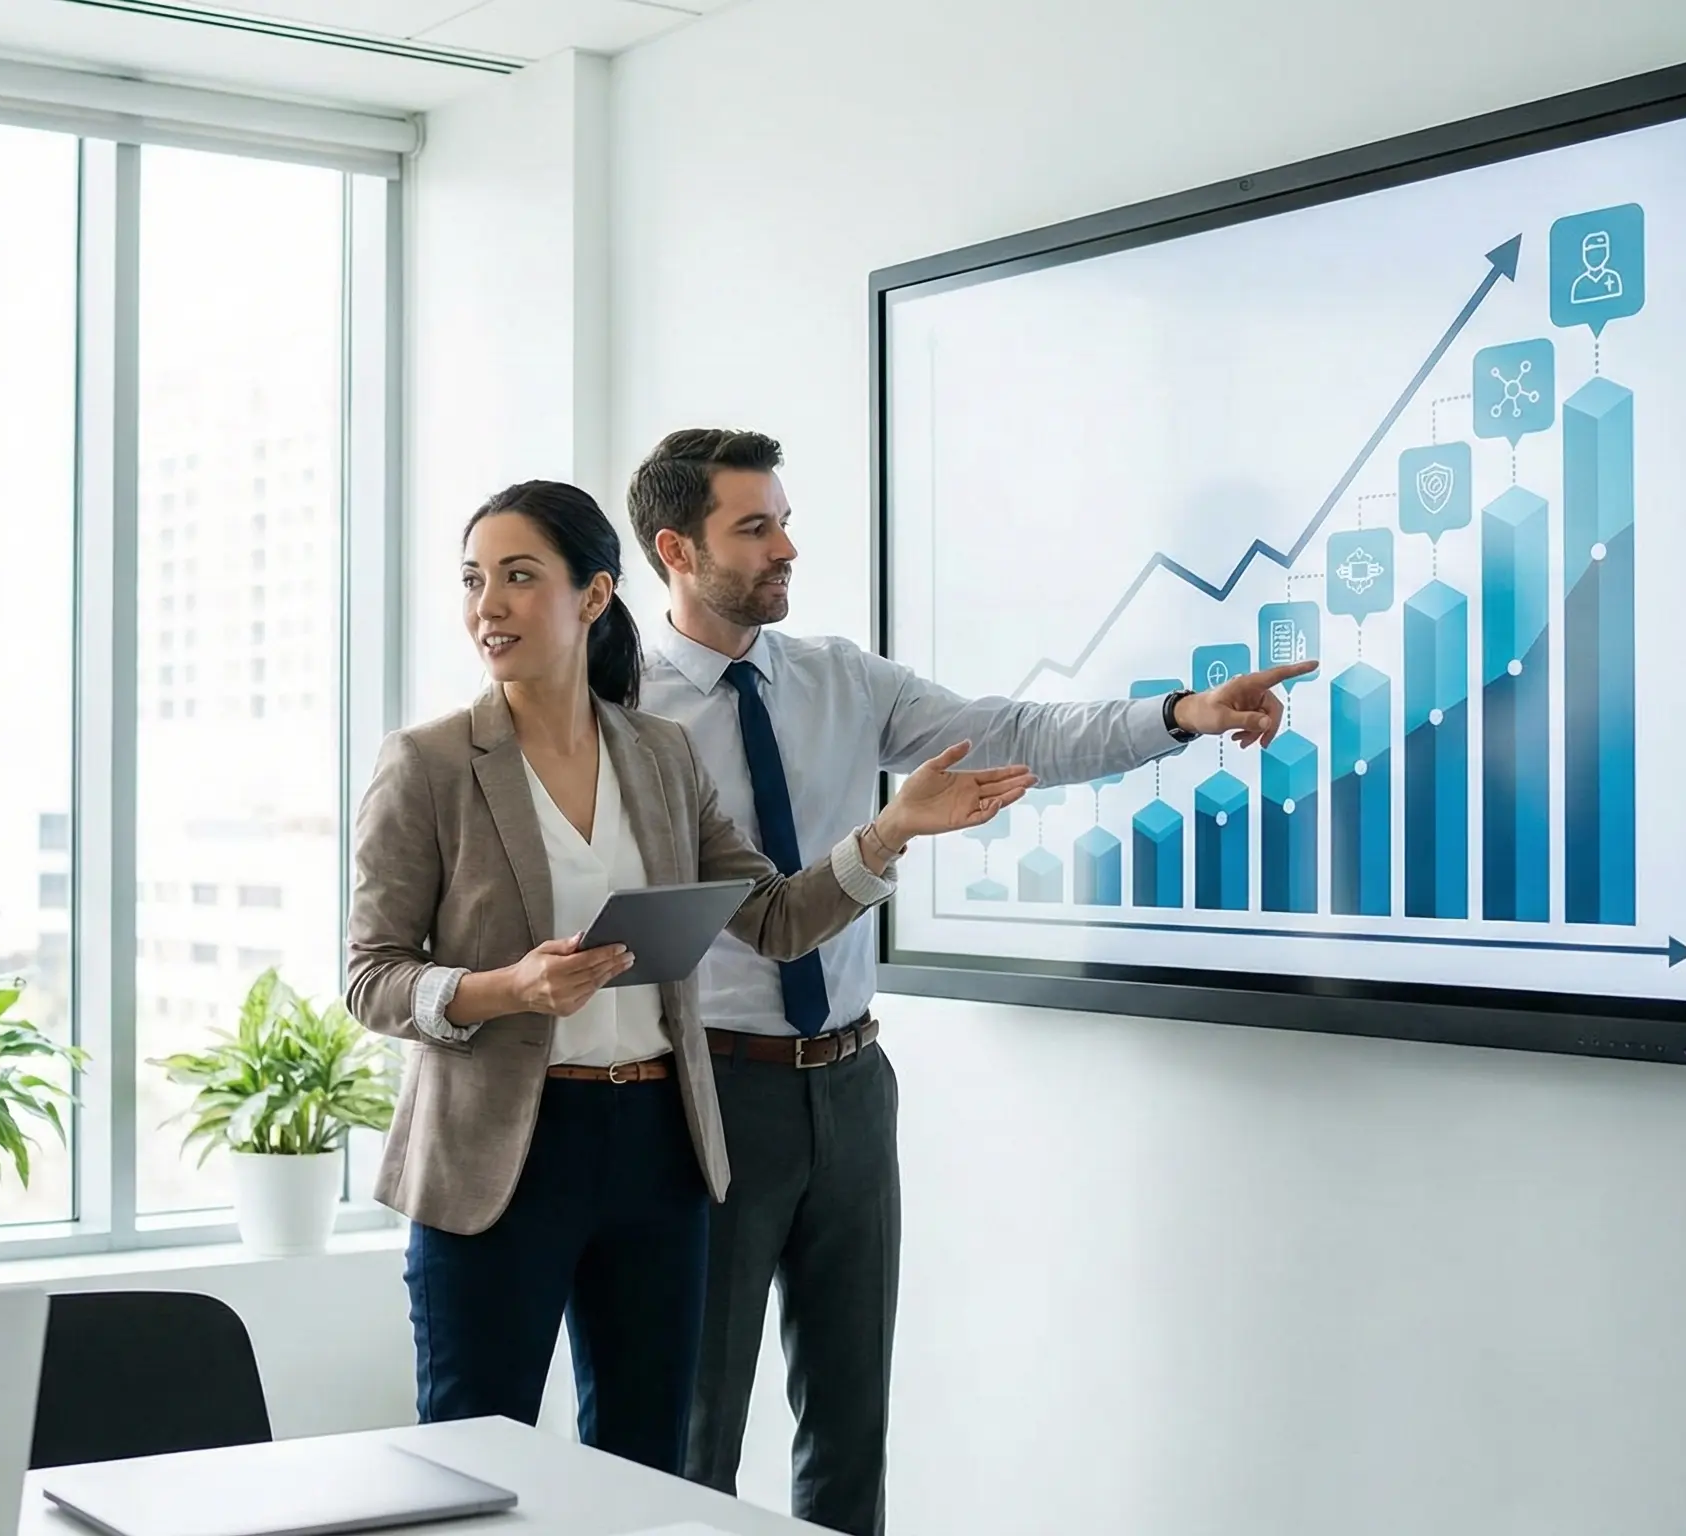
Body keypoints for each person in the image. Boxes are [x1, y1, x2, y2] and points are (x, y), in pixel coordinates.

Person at [629, 428, 1314, 1535]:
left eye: (784, 520)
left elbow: (1013, 729)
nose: (784, 547)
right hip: (710, 1094)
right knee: (691, 1433)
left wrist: (1179, 715)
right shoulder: (623, 714)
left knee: (849, 1428)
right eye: (753, 528)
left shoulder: (839, 677)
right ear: (675, 549)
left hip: (851, 1086)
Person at [344, 480, 1032, 1476]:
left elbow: (774, 917)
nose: (486, 607)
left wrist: (891, 830)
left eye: (518, 578)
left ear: (591, 595)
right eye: (473, 581)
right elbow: (372, 977)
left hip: (655, 1149)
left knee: (645, 1467)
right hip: (501, 1152)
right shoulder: (429, 764)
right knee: (468, 1460)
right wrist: (504, 989)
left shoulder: (658, 756)